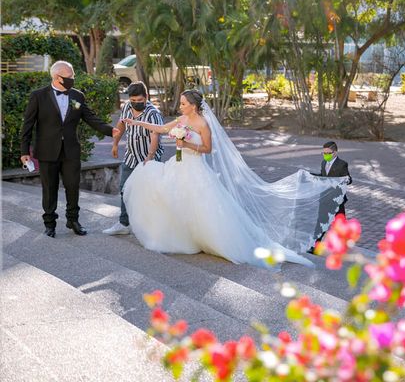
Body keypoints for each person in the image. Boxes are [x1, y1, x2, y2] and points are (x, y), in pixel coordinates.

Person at [121, 90, 348, 268]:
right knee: (155, 182)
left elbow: (208, 148)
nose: (179, 106)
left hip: (195, 169)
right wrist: (137, 123)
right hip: (178, 165)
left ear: (192, 105)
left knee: (198, 205)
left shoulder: (202, 124)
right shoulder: (182, 119)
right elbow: (161, 128)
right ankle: (182, 236)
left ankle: (211, 240)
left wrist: (186, 144)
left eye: (182, 103)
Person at [20, 60, 120, 238]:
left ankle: (73, 220)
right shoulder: (38, 96)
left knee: (73, 186)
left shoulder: (77, 96)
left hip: (70, 151)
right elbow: (27, 125)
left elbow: (90, 117)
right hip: (47, 151)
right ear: (58, 77)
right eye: (70, 76)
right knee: (49, 189)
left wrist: (110, 130)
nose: (73, 78)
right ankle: (49, 224)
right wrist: (24, 152)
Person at [103, 82, 164, 236]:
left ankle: (151, 225)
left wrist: (150, 156)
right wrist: (115, 144)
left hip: (148, 159)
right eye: (133, 101)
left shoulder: (153, 113)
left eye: (139, 101)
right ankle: (124, 223)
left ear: (146, 97)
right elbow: (121, 125)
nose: (136, 104)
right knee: (124, 189)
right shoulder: (126, 108)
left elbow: (154, 135)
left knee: (149, 192)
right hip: (130, 157)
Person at [308, 141, 353, 251]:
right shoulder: (323, 163)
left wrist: (347, 180)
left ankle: (344, 245)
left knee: (340, 223)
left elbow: (348, 179)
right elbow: (324, 176)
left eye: (328, 153)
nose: (325, 155)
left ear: (335, 153)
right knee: (321, 222)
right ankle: (315, 246)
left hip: (337, 199)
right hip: (325, 198)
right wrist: (311, 176)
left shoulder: (342, 164)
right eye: (324, 153)